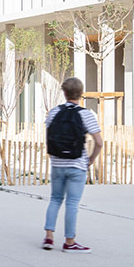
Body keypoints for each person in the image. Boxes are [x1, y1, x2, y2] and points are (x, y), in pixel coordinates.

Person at [42, 76, 103, 252]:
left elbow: (49, 135)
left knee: (55, 199)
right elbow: (99, 142)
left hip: (57, 164)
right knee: (72, 203)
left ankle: (48, 237)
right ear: (81, 94)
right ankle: (69, 242)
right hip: (77, 165)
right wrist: (91, 159)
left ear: (64, 92)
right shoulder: (85, 114)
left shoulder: (54, 112)